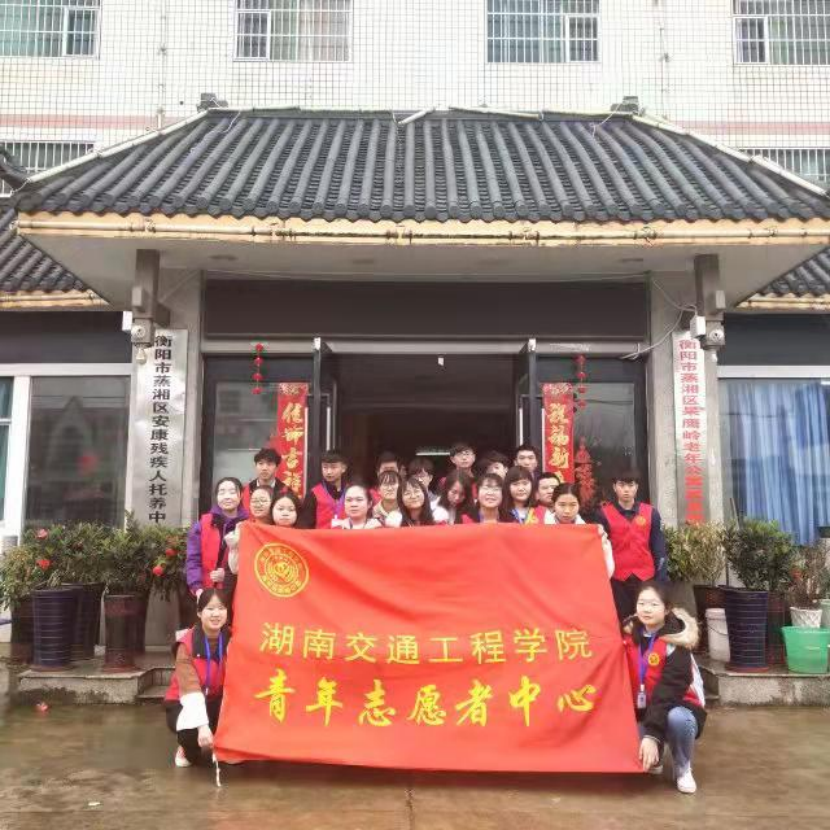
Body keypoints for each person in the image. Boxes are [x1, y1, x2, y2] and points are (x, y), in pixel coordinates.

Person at [622, 581, 706, 794]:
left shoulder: (677, 640)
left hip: (677, 705)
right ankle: (656, 754)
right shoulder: (628, 635)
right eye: (642, 603)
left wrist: (651, 735)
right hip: (643, 709)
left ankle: (683, 766)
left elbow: (668, 691)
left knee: (678, 718)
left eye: (653, 604)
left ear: (667, 609)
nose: (646, 609)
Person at [164, 588, 230, 768]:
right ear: (199, 613)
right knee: (191, 736)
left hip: (216, 699)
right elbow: (190, 688)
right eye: (210, 609)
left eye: (221, 608)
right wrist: (202, 726)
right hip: (183, 701)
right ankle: (185, 747)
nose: (216, 614)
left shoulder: (233, 638)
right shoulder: (186, 645)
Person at [598, 471, 669, 620]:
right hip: (617, 579)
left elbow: (659, 547)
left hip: (646, 578)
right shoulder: (603, 514)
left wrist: (660, 579)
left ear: (637, 487)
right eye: (621, 485)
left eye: (631, 485)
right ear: (614, 487)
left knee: (646, 620)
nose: (626, 490)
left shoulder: (651, 513)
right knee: (621, 620)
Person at [186, 478, 248, 599]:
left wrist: (229, 575)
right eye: (222, 492)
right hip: (208, 591)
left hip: (240, 592)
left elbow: (252, 562)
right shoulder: (203, 524)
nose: (227, 497)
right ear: (216, 497)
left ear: (240, 495)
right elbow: (193, 559)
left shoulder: (249, 525)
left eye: (232, 492)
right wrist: (197, 589)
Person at [541, 482, 614, 577]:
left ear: (579, 505)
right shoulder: (541, 528)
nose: (567, 511)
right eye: (562, 505)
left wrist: (602, 545)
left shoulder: (589, 533)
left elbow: (606, 571)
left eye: (572, 505)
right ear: (554, 504)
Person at [228, 490, 305, 576]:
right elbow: (236, 569)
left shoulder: (304, 539)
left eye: (291, 510)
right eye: (280, 509)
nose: (285, 513)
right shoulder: (256, 534)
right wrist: (234, 548)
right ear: (271, 510)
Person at [300, 450, 348, 529]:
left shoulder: (352, 491)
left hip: (347, 535)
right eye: (325, 467)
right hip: (321, 536)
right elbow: (305, 525)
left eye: (333, 467)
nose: (328, 472)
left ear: (343, 468)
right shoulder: (313, 494)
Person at [241, 447, 288, 512]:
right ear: (255, 466)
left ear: (276, 468)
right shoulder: (246, 490)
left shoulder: (285, 491)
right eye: (261, 463)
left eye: (269, 464)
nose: (264, 468)